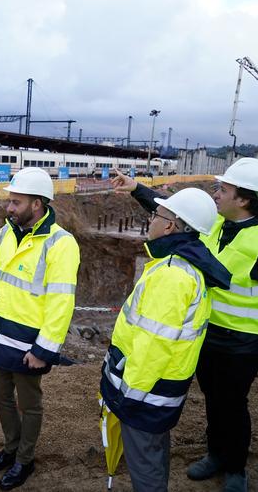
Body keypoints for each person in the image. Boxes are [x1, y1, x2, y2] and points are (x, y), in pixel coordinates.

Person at [113, 157, 258, 492]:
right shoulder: (216, 225)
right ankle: (216, 453)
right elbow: (175, 216)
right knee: (214, 399)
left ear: (244, 199)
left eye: (224, 189)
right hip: (208, 334)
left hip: (243, 342)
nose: (216, 194)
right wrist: (136, 189)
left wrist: (251, 314)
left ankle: (235, 468)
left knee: (232, 403)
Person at [99, 187, 231, 491]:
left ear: (171, 225)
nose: (151, 220)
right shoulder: (184, 265)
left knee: (145, 466)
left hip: (145, 393)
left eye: (156, 215)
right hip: (160, 390)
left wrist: (127, 396)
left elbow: (153, 347)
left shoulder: (172, 275)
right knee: (154, 455)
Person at [0, 167, 81, 490]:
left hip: (29, 344)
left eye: (16, 202)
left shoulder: (61, 244)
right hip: (0, 333)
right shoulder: (7, 232)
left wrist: (43, 350)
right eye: (11, 201)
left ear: (37, 204)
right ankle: (11, 448)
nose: (9, 208)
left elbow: (61, 302)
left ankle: (24, 459)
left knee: (29, 403)